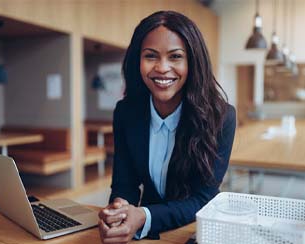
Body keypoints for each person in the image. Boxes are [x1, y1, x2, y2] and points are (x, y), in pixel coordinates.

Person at [98, 10, 236, 243]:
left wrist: (143, 216)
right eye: (151, 56)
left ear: (192, 62)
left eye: (175, 57)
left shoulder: (221, 117)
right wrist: (120, 209)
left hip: (194, 231)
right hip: (148, 233)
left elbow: (204, 198)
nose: (162, 68)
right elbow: (124, 183)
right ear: (137, 61)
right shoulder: (126, 113)